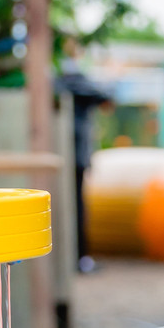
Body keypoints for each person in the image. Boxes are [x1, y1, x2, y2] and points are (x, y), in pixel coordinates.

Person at [54, 45, 113, 274]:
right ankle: (80, 259)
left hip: (69, 156)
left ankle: (77, 259)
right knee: (76, 209)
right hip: (73, 157)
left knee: (73, 209)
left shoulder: (62, 80)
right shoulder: (72, 80)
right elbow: (104, 95)